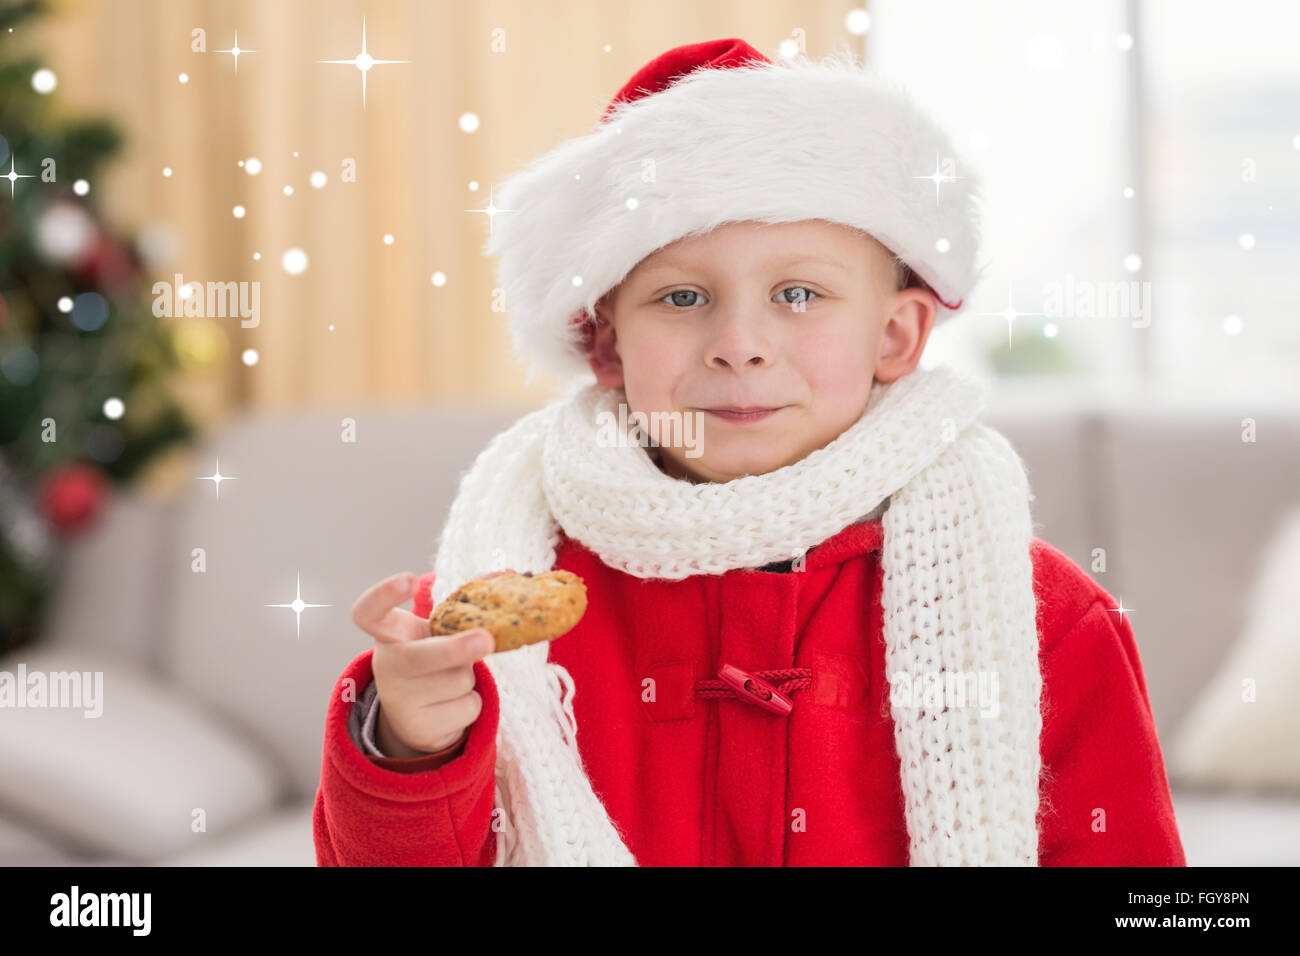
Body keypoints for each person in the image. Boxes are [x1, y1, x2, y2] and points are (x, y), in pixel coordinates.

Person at [313, 37, 1187, 866]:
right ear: (607, 345)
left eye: (798, 293)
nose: (739, 343)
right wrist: (406, 746)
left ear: (894, 333)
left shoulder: (1047, 621)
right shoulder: (471, 629)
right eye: (683, 296)